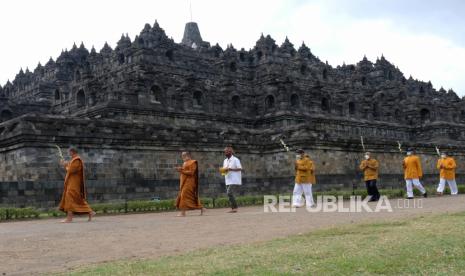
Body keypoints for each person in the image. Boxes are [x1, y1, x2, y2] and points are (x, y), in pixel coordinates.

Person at [58, 147, 94, 223]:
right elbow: (69, 166)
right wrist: (64, 163)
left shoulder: (77, 160)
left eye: (69, 152)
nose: (69, 153)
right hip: (71, 182)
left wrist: (65, 165)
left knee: (69, 198)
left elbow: (71, 170)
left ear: (72, 152)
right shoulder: (73, 160)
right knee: (77, 199)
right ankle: (90, 212)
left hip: (74, 184)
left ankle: (69, 218)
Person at [175, 152, 204, 216]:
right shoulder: (184, 163)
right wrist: (181, 169)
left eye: (184, 155)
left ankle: (183, 212)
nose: (183, 157)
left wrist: (181, 170)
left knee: (183, 196)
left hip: (190, 182)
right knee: (191, 197)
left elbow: (191, 172)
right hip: (184, 181)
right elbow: (185, 170)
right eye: (182, 155)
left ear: (188, 155)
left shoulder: (193, 162)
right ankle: (201, 208)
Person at [221, 146, 242, 213]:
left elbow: (240, 168)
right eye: (225, 152)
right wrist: (222, 170)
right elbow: (225, 170)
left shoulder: (236, 159)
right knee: (229, 194)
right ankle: (233, 208)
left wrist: (231, 169)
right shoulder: (225, 160)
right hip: (227, 179)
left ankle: (235, 207)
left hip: (234, 179)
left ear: (230, 152)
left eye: (226, 151)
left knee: (229, 192)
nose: (225, 153)